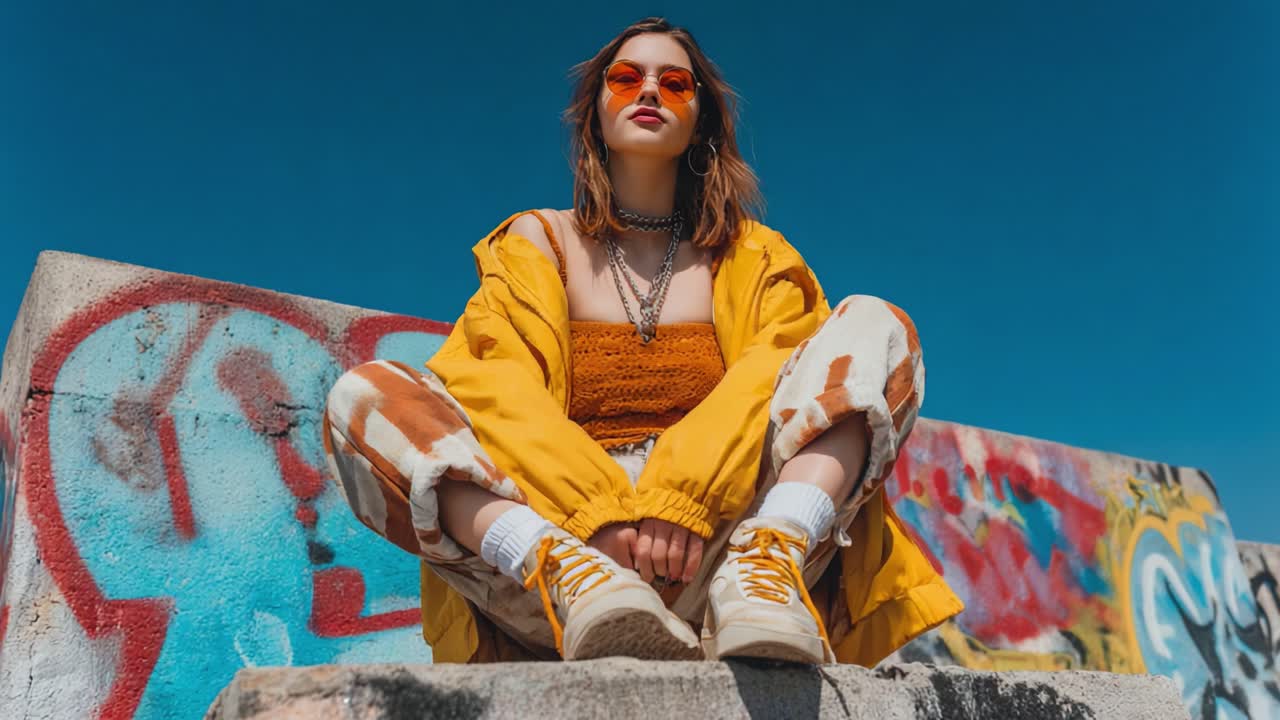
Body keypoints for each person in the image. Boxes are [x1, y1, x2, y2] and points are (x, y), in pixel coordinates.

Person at [322, 16, 962, 665]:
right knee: (364, 395)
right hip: (573, 557)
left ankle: (769, 563)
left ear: (700, 123)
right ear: (596, 115)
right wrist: (591, 515)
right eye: (626, 78)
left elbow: (774, 375)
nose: (649, 91)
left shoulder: (753, 259)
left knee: (876, 324)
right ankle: (559, 570)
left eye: (675, 83)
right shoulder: (540, 243)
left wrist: (683, 496)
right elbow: (492, 384)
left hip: (722, 539)